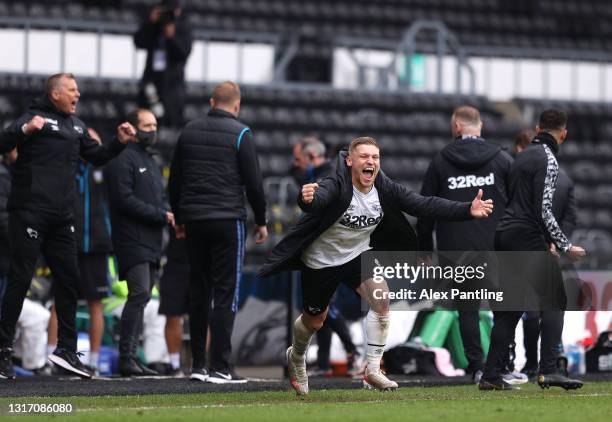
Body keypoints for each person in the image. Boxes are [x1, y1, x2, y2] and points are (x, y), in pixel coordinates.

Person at [260, 136, 494, 395]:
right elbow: (317, 200)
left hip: (357, 255)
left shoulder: (385, 187)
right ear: (350, 161)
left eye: (375, 157)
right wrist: (306, 199)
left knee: (382, 300)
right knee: (314, 321)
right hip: (321, 261)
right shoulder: (336, 183)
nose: (370, 162)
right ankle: (297, 356)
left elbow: (423, 204)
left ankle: (372, 370)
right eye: (364, 157)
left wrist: (466, 209)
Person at [0, 73, 135, 380]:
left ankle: (66, 351)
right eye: (72, 90)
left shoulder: (76, 126)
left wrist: (119, 143)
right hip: (29, 212)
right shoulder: (33, 118)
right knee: (20, 279)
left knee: (70, 280)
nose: (78, 95)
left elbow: (98, 156)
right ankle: (2, 351)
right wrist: (23, 129)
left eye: (78, 91)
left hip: (62, 217)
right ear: (55, 94)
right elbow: (2, 141)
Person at [168, 81, 268, 384]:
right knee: (226, 293)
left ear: (212, 102)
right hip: (227, 220)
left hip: (195, 220)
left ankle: (198, 365)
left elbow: (175, 180)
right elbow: (254, 184)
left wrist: (181, 218)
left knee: (199, 290)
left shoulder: (189, 131)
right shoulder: (241, 133)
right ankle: (221, 367)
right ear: (236, 106)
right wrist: (261, 220)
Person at [480, 109, 586, 391]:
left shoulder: (522, 154)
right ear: (563, 133)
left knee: (509, 310)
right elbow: (543, 209)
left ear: (539, 128)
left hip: (504, 233)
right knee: (555, 299)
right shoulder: (549, 159)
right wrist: (565, 245)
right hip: (526, 235)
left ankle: (490, 374)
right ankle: (549, 369)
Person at [416, 106, 516, 384]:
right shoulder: (503, 160)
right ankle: (503, 366)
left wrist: (424, 247)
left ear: (456, 126)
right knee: (504, 310)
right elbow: (520, 204)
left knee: (467, 309)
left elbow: (425, 208)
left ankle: (478, 367)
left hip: (455, 248)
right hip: (497, 246)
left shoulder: (440, 162)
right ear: (479, 126)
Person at [105, 108, 173, 377]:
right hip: (132, 239)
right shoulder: (123, 158)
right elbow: (123, 199)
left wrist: (168, 213)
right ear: (132, 128)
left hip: (153, 240)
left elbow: (161, 198)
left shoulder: (152, 160)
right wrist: (160, 214)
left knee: (143, 298)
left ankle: (132, 357)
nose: (152, 130)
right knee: (139, 294)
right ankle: (126, 358)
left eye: (155, 125)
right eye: (147, 125)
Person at [289, 137, 358, 377]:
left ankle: (352, 350)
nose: (295, 165)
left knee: (324, 307)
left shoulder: (328, 174)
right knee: (321, 310)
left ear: (312, 157)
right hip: (319, 247)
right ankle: (325, 361)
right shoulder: (316, 172)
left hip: (328, 248)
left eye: (299, 159)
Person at [514, 129, 577, 377]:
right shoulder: (564, 179)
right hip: (551, 249)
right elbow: (570, 217)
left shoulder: (517, 176)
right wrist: (559, 244)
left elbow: (532, 212)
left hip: (527, 246)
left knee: (528, 308)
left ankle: (531, 363)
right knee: (552, 305)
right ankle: (552, 361)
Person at [71, 127, 113, 373]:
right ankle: (49, 359)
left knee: (95, 303)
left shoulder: (106, 170)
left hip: (97, 245)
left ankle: (94, 362)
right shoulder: (68, 169)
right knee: (61, 301)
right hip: (69, 243)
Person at [134, 0, 193, 128]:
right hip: (152, 81)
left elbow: (183, 53)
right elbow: (139, 42)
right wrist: (150, 22)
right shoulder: (154, 24)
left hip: (173, 85)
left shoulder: (183, 25)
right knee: (146, 121)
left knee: (171, 122)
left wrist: (171, 37)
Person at [157, 230, 190, 375]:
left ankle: (198, 364)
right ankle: (174, 364)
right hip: (174, 262)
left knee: (202, 316)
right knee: (172, 315)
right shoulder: (172, 208)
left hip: (200, 261)